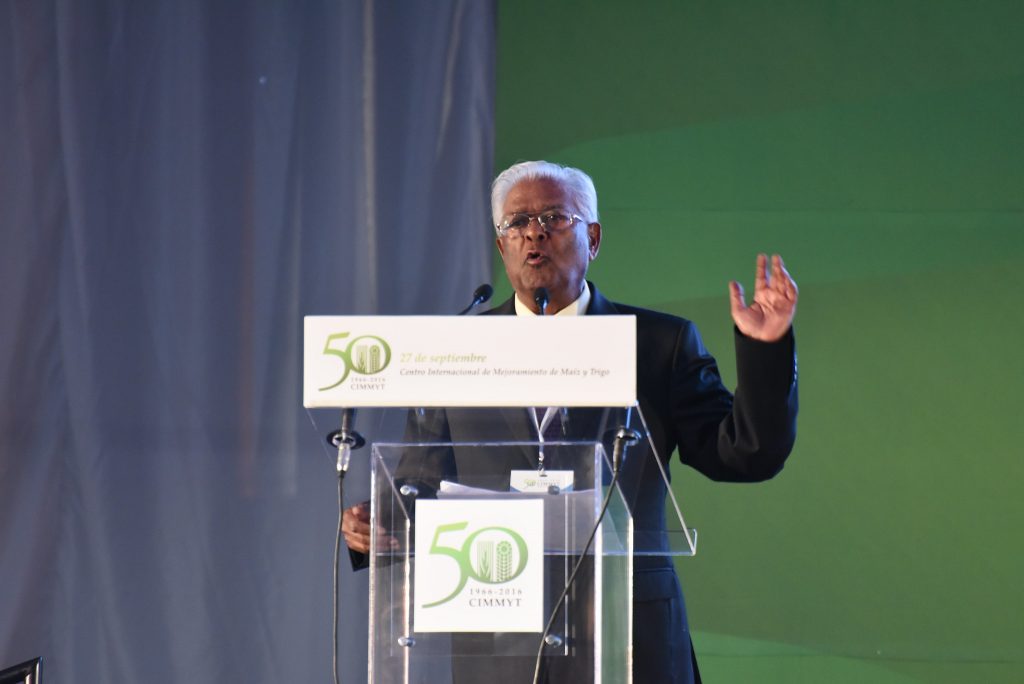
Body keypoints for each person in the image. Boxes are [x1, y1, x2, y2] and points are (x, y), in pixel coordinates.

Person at [343, 160, 799, 683]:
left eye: (555, 217)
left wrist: (766, 350)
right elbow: (418, 484)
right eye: (516, 222)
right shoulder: (458, 350)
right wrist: (377, 525)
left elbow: (743, 453)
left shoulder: (656, 345)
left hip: (631, 639)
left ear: (594, 238)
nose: (534, 231)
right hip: (498, 642)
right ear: (501, 246)